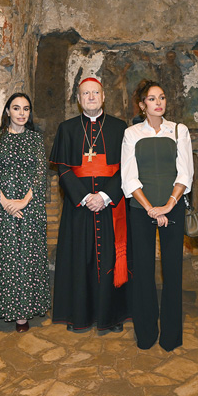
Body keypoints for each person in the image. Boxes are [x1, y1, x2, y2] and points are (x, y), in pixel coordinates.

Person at [50, 78, 129, 332]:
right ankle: (79, 316)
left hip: (110, 205)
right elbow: (63, 169)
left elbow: (127, 168)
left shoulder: (119, 127)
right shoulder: (67, 128)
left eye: (95, 93)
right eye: (86, 93)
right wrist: (85, 198)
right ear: (78, 99)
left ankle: (111, 317)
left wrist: (104, 196)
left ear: (103, 97)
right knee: (79, 259)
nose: (91, 97)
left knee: (109, 259)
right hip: (79, 207)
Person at [121, 79, 194, 351]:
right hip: (141, 210)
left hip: (173, 207)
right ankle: (146, 333)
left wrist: (168, 205)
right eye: (152, 99)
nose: (158, 102)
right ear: (142, 105)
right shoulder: (131, 134)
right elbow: (129, 177)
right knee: (143, 271)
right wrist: (151, 208)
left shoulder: (179, 130)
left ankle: (171, 336)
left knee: (173, 271)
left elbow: (185, 173)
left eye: (161, 97)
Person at [0, 93, 50, 332]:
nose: (21, 113)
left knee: (26, 259)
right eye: (16, 108)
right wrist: (3, 201)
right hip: (0, 208)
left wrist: (23, 201)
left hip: (29, 208)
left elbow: (41, 172)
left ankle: (22, 314)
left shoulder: (35, 139)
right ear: (7, 111)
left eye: (26, 109)